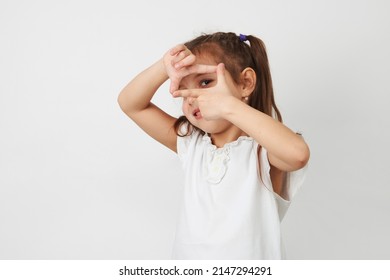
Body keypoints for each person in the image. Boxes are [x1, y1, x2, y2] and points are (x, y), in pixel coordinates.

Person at [117, 32, 310, 259]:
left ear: (246, 83)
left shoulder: (263, 149)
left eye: (205, 82)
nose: (192, 97)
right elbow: (131, 104)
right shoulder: (192, 145)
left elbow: (297, 154)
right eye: (183, 89)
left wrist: (229, 106)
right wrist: (164, 65)